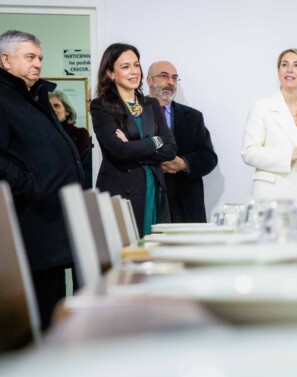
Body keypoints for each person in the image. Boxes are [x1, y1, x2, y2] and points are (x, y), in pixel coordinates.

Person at [0, 30, 84, 330]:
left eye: (39, 58)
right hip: (30, 222)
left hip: (53, 221)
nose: (37, 64)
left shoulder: (34, 96)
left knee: (53, 312)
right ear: (5, 60)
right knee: (35, 318)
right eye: (29, 57)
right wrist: (31, 187)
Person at [91, 43, 177, 236]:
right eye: (125, 67)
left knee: (156, 252)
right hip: (121, 192)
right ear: (110, 73)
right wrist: (155, 142)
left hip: (154, 188)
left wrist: (132, 145)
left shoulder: (151, 104)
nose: (134, 72)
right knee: (127, 256)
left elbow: (171, 148)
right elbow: (120, 151)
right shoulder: (101, 107)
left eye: (136, 65)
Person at [241, 48, 297, 203]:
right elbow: (249, 152)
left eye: (296, 65)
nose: (289, 70)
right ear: (278, 72)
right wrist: (288, 155)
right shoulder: (262, 106)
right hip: (271, 197)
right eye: (284, 65)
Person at [147, 60, 218, 223]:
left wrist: (184, 163)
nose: (170, 82)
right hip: (148, 200)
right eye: (164, 76)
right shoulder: (135, 113)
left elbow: (209, 157)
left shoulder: (193, 117)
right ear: (149, 81)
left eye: (174, 78)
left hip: (185, 205)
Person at [49, 90, 92, 189]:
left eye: (56, 106)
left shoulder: (80, 134)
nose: (53, 110)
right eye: (49, 107)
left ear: (67, 111)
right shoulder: (42, 134)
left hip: (73, 187)